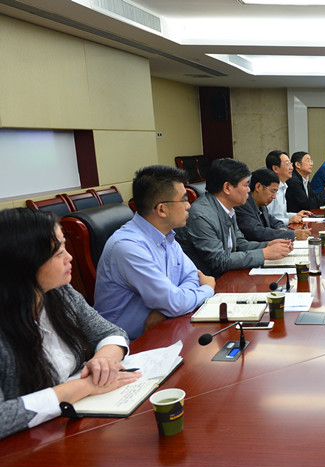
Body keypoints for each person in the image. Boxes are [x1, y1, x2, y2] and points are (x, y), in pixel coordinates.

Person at [0, 208, 140, 443]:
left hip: (71, 426)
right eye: (58, 253)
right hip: (26, 445)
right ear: (24, 264)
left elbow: (110, 332)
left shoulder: (59, 292)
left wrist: (105, 359)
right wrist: (82, 387)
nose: (69, 257)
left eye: (65, 246)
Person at [94, 165, 216, 339]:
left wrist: (166, 309)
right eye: (184, 200)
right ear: (162, 209)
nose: (189, 206)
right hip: (128, 344)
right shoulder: (128, 247)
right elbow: (177, 301)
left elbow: (192, 277)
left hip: (165, 328)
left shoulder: (167, 235)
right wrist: (207, 288)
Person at [175, 158, 291, 278]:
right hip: (208, 281)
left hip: (227, 275)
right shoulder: (201, 216)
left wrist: (268, 245)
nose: (248, 190)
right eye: (246, 185)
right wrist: (264, 253)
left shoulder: (229, 208)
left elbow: (239, 244)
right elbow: (219, 261)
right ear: (227, 188)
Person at [236, 168, 310, 242]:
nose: (274, 197)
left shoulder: (262, 205)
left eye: (276, 192)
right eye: (272, 191)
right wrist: (292, 234)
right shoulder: (243, 205)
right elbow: (258, 232)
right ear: (258, 187)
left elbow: (275, 222)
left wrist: (283, 231)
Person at [265, 149, 313, 225]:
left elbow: (282, 214)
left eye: (290, 164)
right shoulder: (269, 189)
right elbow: (268, 220)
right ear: (275, 168)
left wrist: (297, 215)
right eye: (287, 164)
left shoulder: (283, 186)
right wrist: (289, 220)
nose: (291, 168)